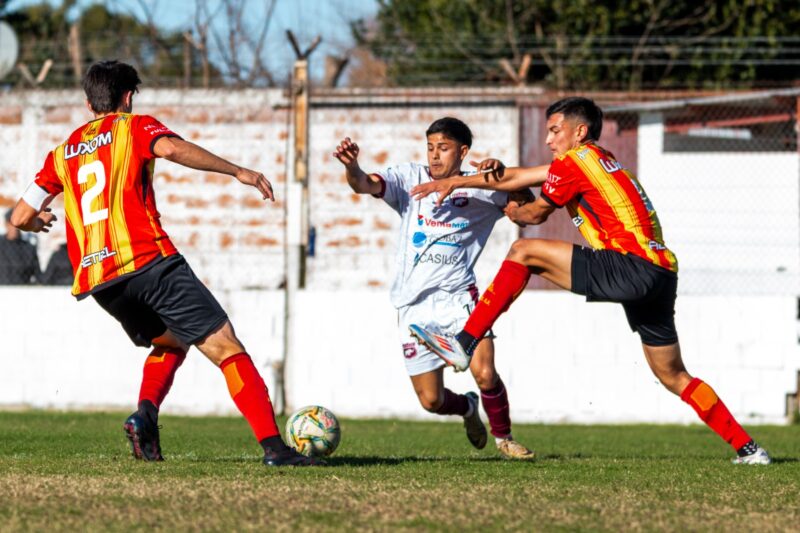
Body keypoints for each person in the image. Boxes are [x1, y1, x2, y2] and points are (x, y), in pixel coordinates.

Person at [408, 97, 771, 465]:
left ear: (579, 132)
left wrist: (509, 207)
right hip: (661, 273)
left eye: (554, 131)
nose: (549, 139)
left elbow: (533, 214)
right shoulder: (596, 160)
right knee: (674, 374)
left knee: (523, 251)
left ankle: (465, 342)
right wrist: (457, 181)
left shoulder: (573, 162)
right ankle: (749, 449)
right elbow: (521, 176)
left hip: (630, 266)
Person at [10, 60, 321, 467]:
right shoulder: (134, 127)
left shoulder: (62, 152)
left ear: (89, 103)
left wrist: (38, 220)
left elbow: (18, 216)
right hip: (149, 262)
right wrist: (237, 170)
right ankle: (275, 449)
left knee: (169, 342)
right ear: (128, 97)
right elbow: (171, 148)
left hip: (101, 281)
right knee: (227, 347)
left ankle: (145, 417)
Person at [333, 117, 534, 459]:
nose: (435, 156)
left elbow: (527, 212)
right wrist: (353, 166)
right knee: (431, 401)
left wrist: (503, 179)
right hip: (414, 308)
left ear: (463, 151)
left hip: (459, 298)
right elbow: (364, 184)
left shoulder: (482, 185)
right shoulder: (409, 178)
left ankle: (504, 438)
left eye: (443, 148)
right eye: (430, 147)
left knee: (484, 374)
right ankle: (468, 409)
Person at [0, 208, 41, 284]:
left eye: (18, 224)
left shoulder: (29, 248)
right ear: (6, 224)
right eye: (12, 224)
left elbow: (39, 275)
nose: (15, 228)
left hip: (21, 291)